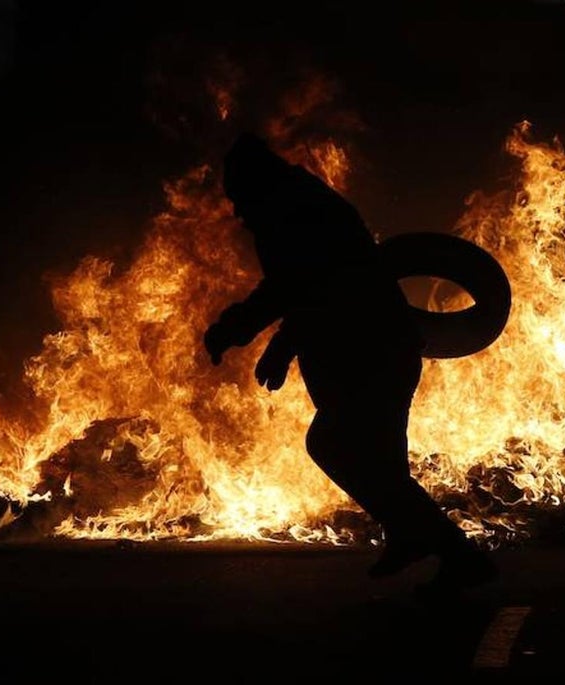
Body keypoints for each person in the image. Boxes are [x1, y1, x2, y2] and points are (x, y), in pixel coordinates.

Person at [203, 132, 498, 597]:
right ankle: (420, 545)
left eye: (240, 198)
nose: (238, 212)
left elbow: (305, 285)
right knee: (381, 463)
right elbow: (308, 287)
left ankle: (459, 555)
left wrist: (241, 330)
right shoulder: (300, 204)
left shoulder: (295, 212)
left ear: (258, 185)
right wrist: (278, 342)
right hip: (379, 351)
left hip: (373, 355)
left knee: (332, 443)